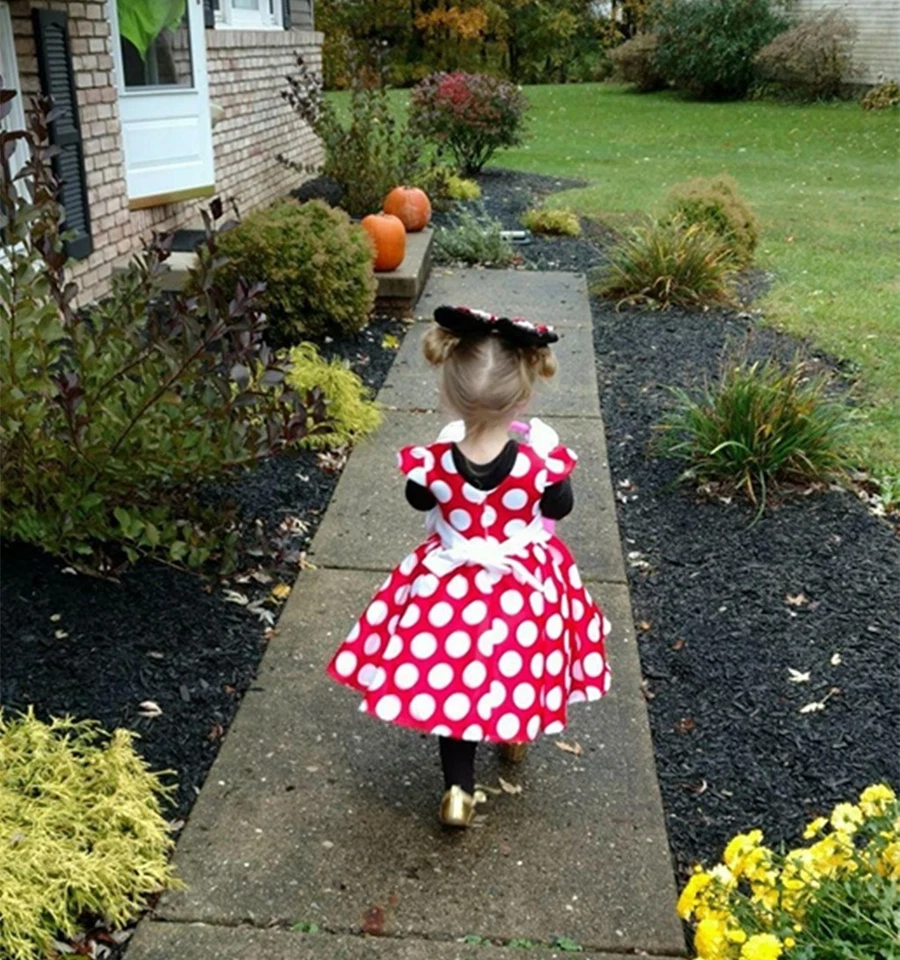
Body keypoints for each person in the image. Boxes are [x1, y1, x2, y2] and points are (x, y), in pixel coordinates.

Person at [326, 305, 611, 827]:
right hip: (522, 588)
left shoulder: (432, 462)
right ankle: (515, 738)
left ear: (449, 394)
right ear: (524, 395)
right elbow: (558, 510)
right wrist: (546, 466)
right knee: (518, 662)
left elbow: (418, 501)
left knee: (455, 681)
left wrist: (443, 459)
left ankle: (458, 792)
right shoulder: (540, 464)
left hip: (445, 590)